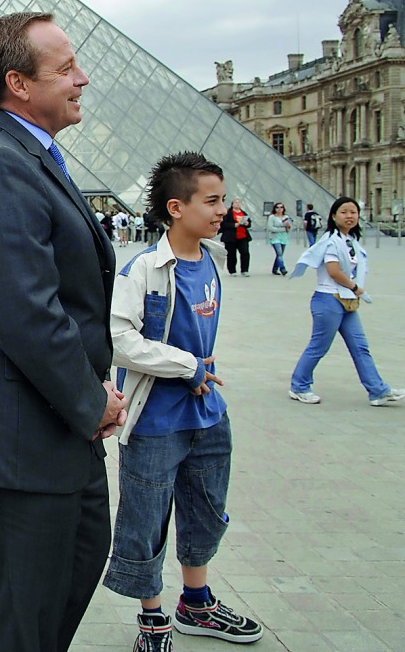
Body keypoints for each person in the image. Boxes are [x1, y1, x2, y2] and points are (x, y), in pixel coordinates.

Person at [0, 12, 127, 652]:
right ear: (18, 82)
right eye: (65, 68)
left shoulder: (25, 155)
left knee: (76, 560)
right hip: (22, 425)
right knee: (29, 608)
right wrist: (91, 400)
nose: (82, 78)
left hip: (48, 415)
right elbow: (27, 312)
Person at [107, 152, 263, 649]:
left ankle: (197, 604)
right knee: (146, 519)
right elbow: (118, 340)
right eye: (212, 201)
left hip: (208, 413)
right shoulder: (141, 269)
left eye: (224, 199)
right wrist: (188, 366)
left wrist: (200, 368)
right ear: (176, 207)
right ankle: (152, 620)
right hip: (155, 418)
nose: (224, 210)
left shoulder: (214, 258)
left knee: (206, 510)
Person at [287, 196, 404, 406]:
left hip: (346, 301)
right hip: (329, 300)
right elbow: (333, 271)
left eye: (353, 212)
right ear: (333, 216)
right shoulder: (331, 241)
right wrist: (355, 287)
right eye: (344, 212)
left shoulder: (349, 240)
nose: (349, 216)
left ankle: (377, 390)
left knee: (360, 347)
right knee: (319, 346)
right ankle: (299, 385)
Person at [219, 199, 252, 276]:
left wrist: (247, 224)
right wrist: (233, 225)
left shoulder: (243, 213)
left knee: (245, 253)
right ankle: (232, 270)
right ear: (232, 204)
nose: (238, 204)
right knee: (231, 254)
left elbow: (249, 223)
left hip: (243, 236)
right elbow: (223, 224)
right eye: (236, 202)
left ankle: (244, 270)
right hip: (231, 237)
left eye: (239, 202)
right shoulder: (228, 213)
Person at [266, 202, 292, 276]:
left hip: (284, 238)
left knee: (279, 254)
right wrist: (283, 229)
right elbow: (270, 228)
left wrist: (288, 226)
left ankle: (274, 269)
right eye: (278, 207)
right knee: (279, 253)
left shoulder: (286, 217)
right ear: (275, 208)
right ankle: (282, 268)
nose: (280, 209)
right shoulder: (272, 217)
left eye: (281, 207)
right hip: (275, 238)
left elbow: (290, 229)